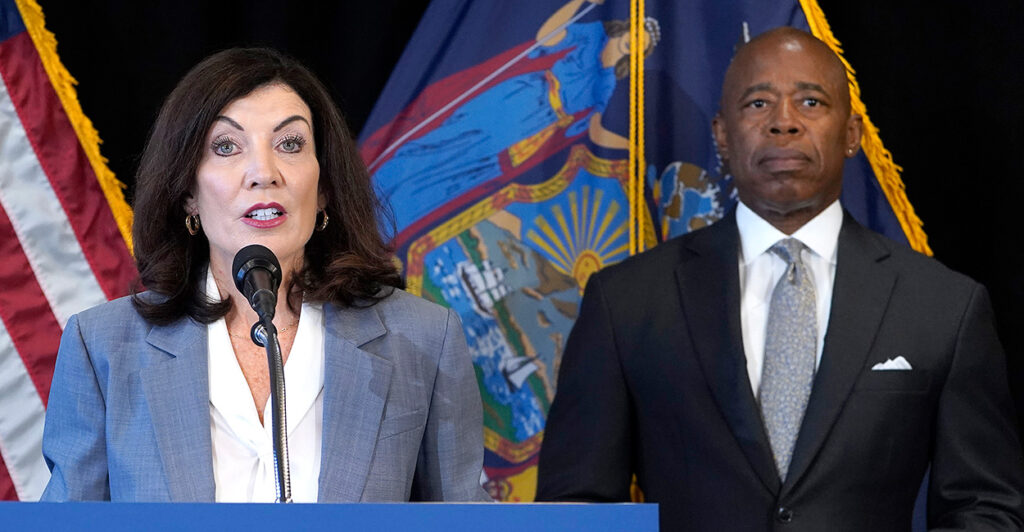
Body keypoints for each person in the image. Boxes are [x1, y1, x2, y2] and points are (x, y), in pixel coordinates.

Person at [536, 27, 1024, 530]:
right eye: (758, 104)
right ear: (722, 134)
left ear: (852, 133)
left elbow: (984, 509)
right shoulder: (627, 301)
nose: (784, 123)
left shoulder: (943, 306)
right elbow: (576, 508)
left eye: (811, 102)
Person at [40, 48, 490, 503]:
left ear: (325, 187)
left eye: (290, 144)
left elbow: (463, 519)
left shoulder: (423, 339)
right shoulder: (102, 346)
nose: (263, 173)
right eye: (226, 147)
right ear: (188, 194)